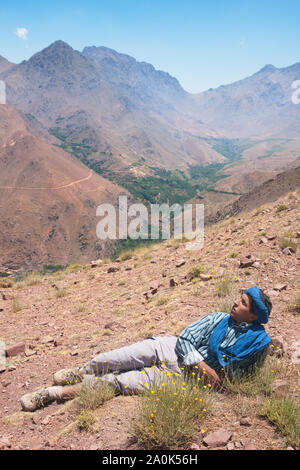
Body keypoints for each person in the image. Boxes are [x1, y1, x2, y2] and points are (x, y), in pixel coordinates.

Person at [20, 286, 272, 412]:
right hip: (171, 349)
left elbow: (241, 375)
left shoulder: (257, 344)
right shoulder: (217, 318)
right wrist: (203, 366)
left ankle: (53, 394)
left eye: (242, 303)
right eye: (239, 298)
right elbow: (185, 339)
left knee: (119, 383)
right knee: (116, 357)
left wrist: (221, 380)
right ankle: (80, 371)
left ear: (252, 317)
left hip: (184, 378)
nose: (235, 302)